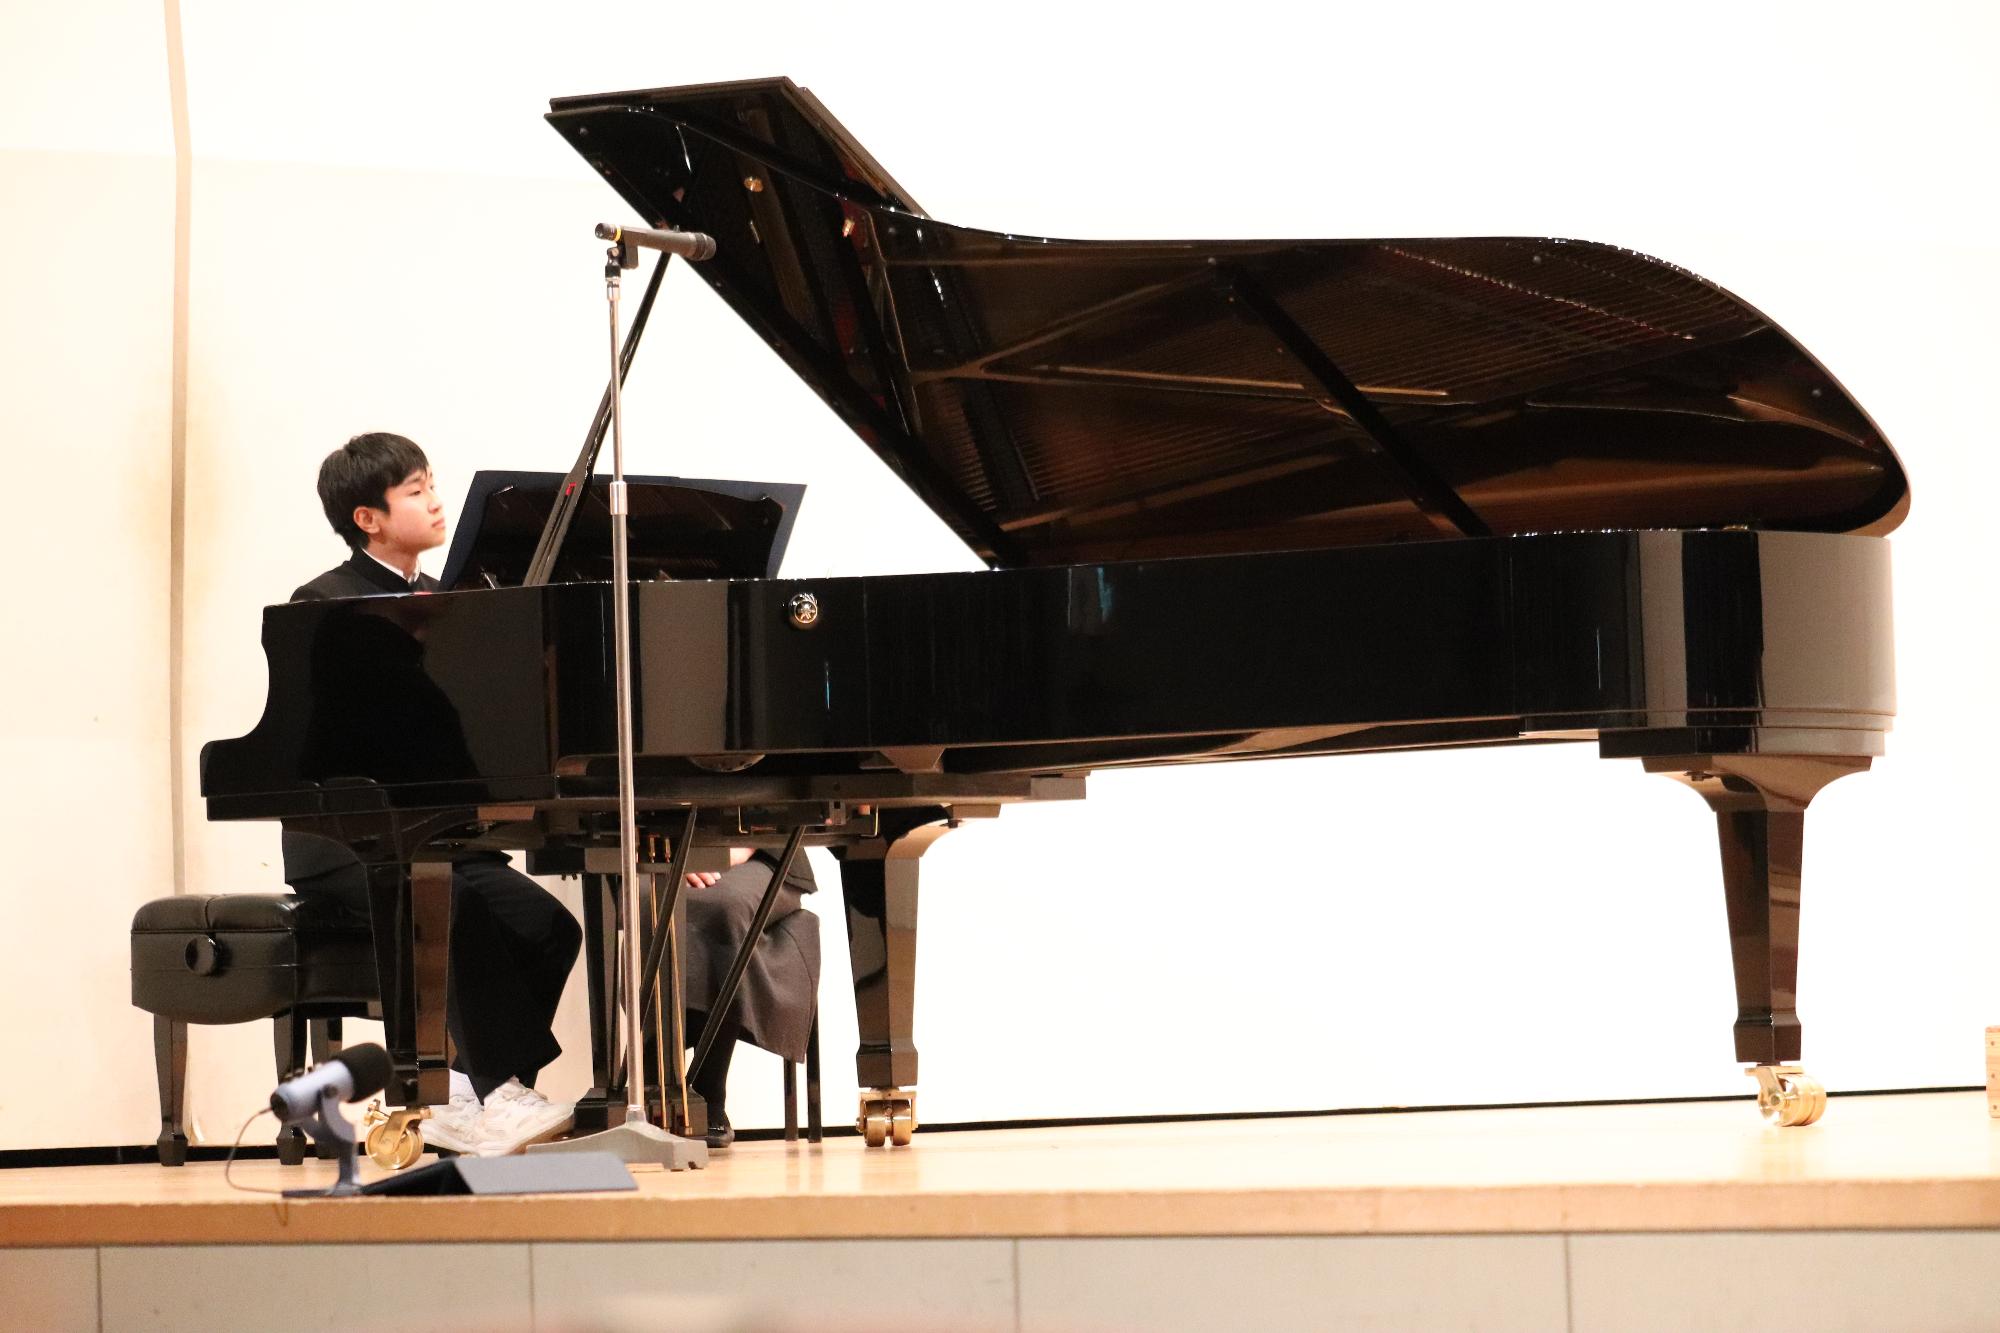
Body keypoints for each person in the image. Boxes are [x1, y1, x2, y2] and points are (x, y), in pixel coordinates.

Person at [282, 432, 583, 1157]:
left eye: (431, 484)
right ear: (369, 518)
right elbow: (335, 734)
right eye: (415, 491)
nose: (436, 501)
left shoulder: (449, 601)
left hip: (440, 836)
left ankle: (474, 1097)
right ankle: (498, 1090)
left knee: (550, 928)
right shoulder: (324, 601)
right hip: (349, 840)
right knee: (459, 907)